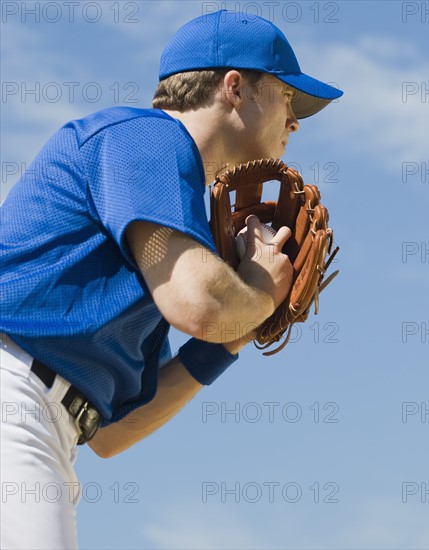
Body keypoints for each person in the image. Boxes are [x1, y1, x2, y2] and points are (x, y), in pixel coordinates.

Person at [0, 9, 342, 549]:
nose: (295, 121)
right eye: (286, 98)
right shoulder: (148, 138)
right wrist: (254, 287)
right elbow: (200, 304)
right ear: (235, 88)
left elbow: (113, 434)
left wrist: (234, 336)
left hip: (43, 419)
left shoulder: (174, 207)